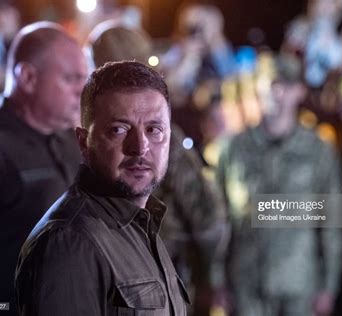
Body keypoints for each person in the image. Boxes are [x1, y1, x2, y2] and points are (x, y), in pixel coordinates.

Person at [15, 61, 190, 315]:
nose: (140, 148)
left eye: (154, 129)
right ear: (84, 142)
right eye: (118, 130)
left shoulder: (141, 222)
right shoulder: (70, 242)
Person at [86, 24, 229, 315]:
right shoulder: (159, 134)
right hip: (157, 282)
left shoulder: (83, 133)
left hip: (111, 280)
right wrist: (208, 281)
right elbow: (207, 218)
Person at [0, 22, 87, 316]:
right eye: (71, 79)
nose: (82, 91)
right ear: (28, 77)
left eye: (85, 79)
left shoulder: (72, 139)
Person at [217, 56, 342, 316]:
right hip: (246, 282)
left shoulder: (318, 150)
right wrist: (216, 279)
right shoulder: (235, 149)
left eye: (286, 84)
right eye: (271, 83)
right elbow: (220, 219)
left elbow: (332, 220)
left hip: (300, 283)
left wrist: (329, 286)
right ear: (258, 87)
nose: (277, 92)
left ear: (300, 91)